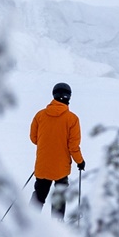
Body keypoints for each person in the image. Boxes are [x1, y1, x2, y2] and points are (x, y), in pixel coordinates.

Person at [29, 82, 84, 218]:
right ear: (68, 97)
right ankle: (57, 226)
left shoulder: (40, 115)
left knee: (39, 195)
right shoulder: (72, 119)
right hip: (61, 167)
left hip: (42, 165)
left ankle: (29, 223)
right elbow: (73, 146)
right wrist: (80, 161)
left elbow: (34, 138)